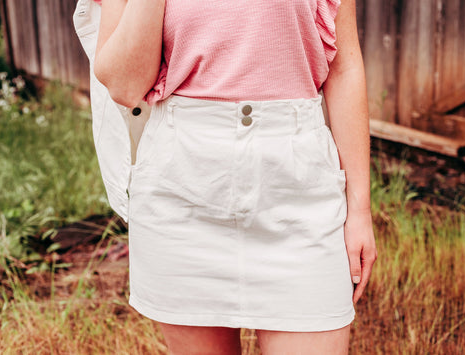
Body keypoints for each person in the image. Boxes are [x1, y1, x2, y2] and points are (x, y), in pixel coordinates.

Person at [91, 0, 377, 353]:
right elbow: (124, 85)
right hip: (182, 189)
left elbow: (344, 68)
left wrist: (359, 211)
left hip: (299, 190)